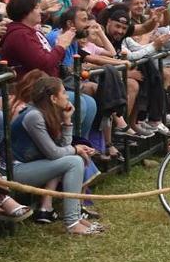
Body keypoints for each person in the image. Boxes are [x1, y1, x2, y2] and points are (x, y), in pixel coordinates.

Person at [10, 76, 103, 235]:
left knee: (75, 158)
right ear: (53, 98)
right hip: (15, 169)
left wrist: (67, 122)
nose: (67, 96)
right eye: (64, 92)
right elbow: (54, 153)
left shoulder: (46, 113)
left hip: (31, 165)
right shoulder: (34, 116)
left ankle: (76, 218)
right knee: (74, 161)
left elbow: (61, 147)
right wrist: (76, 149)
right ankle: (72, 222)